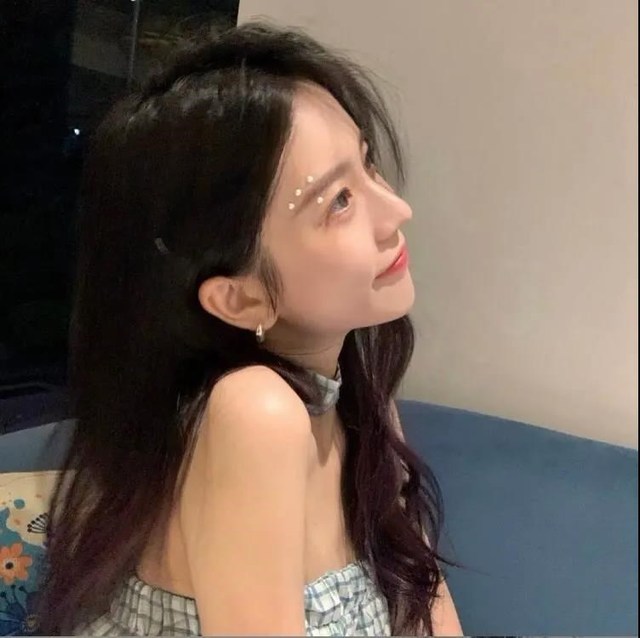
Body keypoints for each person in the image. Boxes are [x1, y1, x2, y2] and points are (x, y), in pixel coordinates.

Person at [36, 21, 464, 636]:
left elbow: (423, 598)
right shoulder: (256, 413)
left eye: (368, 165)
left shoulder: (359, 401)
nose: (397, 211)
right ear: (238, 298)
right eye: (339, 201)